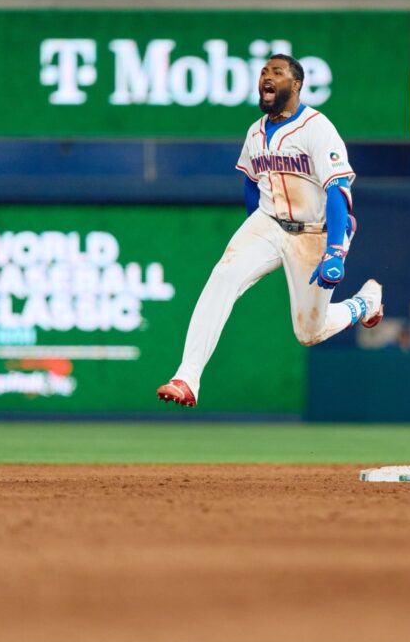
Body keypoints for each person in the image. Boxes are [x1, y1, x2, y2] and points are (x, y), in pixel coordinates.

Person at [157, 54, 384, 407]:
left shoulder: (316, 127)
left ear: (295, 84)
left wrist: (335, 250)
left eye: (276, 72)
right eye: (263, 71)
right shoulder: (255, 131)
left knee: (309, 332)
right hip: (269, 223)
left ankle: (364, 303)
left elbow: (338, 189)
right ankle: (187, 377)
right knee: (224, 275)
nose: (267, 76)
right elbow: (250, 182)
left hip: (316, 231)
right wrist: (255, 240)